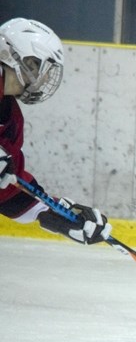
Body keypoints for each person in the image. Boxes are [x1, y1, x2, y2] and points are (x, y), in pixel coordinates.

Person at [0, 17, 111, 245]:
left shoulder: (12, 120)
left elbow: (8, 188)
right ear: (12, 56)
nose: (40, 80)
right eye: (35, 67)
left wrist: (52, 212)